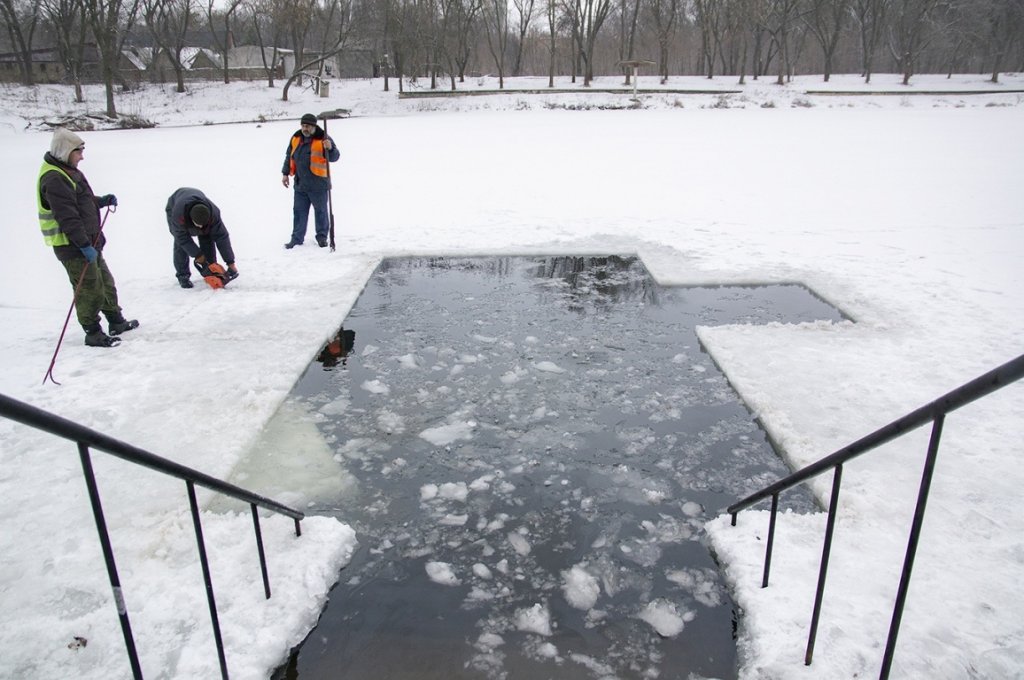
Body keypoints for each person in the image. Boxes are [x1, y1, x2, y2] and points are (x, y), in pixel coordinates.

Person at [38, 128, 138, 348]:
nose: (82, 156)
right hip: (73, 246)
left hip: (90, 242)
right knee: (89, 288)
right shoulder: (54, 178)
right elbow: (67, 217)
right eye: (79, 151)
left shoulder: (68, 170)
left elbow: (80, 199)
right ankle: (92, 332)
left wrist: (100, 201)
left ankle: (116, 321)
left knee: (106, 282)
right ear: (66, 151)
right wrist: (83, 244)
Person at [281, 112, 340, 249]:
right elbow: (289, 155)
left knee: (321, 212)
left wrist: (330, 148)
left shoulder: (323, 138)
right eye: (303, 125)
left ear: (314, 126)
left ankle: (322, 237)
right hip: (300, 184)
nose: (305, 128)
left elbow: (335, 157)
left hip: (318, 185)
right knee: (299, 212)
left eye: (307, 126)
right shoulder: (296, 138)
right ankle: (296, 238)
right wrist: (285, 173)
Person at [165, 187, 239, 288]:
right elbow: (182, 238)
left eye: (203, 225)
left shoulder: (214, 214)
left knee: (207, 237)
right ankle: (183, 275)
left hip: (195, 204)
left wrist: (230, 262)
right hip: (174, 205)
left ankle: (211, 270)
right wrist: (198, 255)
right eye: (198, 225)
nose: (200, 227)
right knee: (181, 244)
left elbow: (222, 237)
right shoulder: (179, 215)